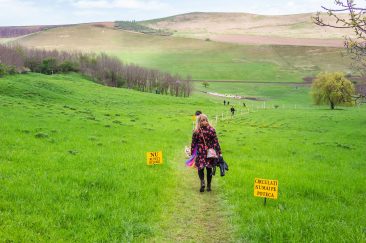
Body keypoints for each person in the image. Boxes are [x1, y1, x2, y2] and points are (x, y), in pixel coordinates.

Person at [191, 114, 222, 192]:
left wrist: (192, 153)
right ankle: (206, 184)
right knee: (207, 168)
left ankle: (204, 183)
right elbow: (216, 142)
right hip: (208, 152)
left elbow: (193, 143)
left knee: (202, 168)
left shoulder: (197, 131)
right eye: (202, 120)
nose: (204, 122)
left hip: (202, 152)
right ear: (199, 122)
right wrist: (219, 152)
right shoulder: (211, 129)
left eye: (205, 120)